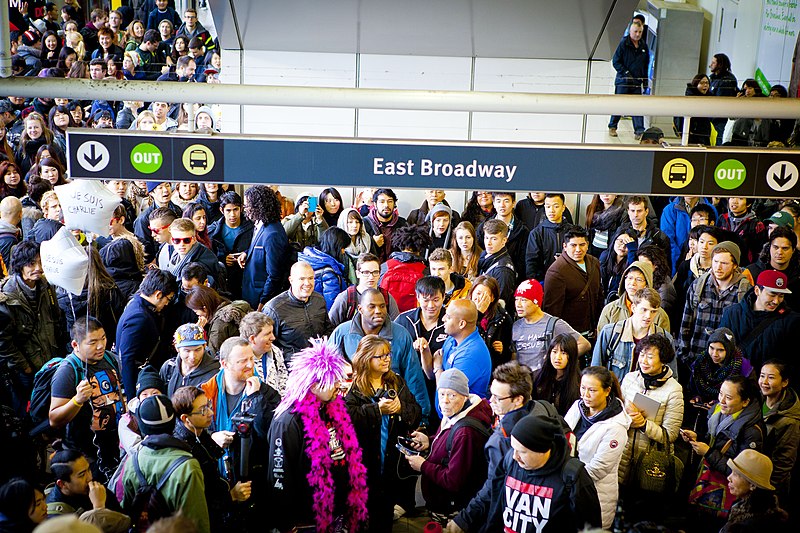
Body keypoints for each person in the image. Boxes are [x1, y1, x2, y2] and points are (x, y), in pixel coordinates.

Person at [267, 339, 369, 533]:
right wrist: (286, 523)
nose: (339, 385)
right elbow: (279, 477)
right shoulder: (287, 422)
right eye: (333, 381)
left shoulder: (333, 407)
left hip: (340, 515)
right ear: (313, 386)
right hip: (307, 522)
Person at [448, 414, 602, 533]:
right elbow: (489, 492)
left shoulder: (573, 476)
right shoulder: (510, 460)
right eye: (513, 448)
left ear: (543, 450)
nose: (515, 456)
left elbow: (590, 528)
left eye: (522, 451)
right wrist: (462, 521)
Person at [345, 335, 422, 531]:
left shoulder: (396, 382)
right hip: (363, 463)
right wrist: (377, 410)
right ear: (366, 359)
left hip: (390, 463)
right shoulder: (354, 388)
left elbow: (416, 412)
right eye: (380, 356)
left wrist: (400, 408)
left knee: (384, 515)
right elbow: (347, 418)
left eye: (388, 354)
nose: (387, 359)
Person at [403, 368, 493, 523]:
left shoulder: (466, 432)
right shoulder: (455, 415)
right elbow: (449, 443)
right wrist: (429, 441)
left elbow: (453, 481)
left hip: (452, 510)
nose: (444, 400)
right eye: (441, 394)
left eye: (452, 395)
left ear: (464, 397)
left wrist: (423, 466)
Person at [199, 338, 280, 507]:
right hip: (215, 483)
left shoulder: (267, 394)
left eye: (251, 359)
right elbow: (191, 433)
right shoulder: (205, 393)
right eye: (243, 361)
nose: (250, 365)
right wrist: (211, 439)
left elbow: (270, 434)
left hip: (254, 484)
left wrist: (254, 399)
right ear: (225, 364)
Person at [329, 288, 431, 420]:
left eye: (382, 306)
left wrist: (422, 420)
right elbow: (327, 373)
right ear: (360, 309)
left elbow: (414, 378)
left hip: (392, 412)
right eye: (372, 307)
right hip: (355, 414)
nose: (378, 311)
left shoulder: (401, 334)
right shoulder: (342, 333)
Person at [49, 317, 125, 482]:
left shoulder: (110, 358)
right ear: (75, 345)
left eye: (103, 338)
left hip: (115, 445)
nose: (100, 346)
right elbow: (54, 419)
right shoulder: (68, 371)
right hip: (86, 453)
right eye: (92, 343)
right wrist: (77, 400)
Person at [682, 376, 765, 525]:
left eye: (729, 397)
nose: (722, 401)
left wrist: (708, 453)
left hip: (727, 491)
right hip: (705, 476)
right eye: (721, 394)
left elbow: (742, 473)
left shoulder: (752, 431)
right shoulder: (717, 411)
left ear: (745, 402)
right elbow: (713, 440)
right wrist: (697, 437)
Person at [121, 394, 210, 533]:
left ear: (142, 426)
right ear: (173, 422)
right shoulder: (188, 466)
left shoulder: (132, 462)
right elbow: (197, 522)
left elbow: (127, 512)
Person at [617, 334, 683, 518]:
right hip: (622, 454)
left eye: (651, 356)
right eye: (642, 355)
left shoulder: (674, 389)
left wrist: (645, 425)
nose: (644, 361)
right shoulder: (629, 379)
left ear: (663, 360)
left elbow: (670, 435)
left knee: (643, 513)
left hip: (649, 462)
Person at [171, 386, 252, 531]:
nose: (211, 412)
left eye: (208, 405)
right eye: (203, 410)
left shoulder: (200, 434)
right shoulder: (185, 453)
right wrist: (231, 496)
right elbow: (196, 502)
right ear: (185, 418)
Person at [0, 241, 66, 418]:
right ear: (20, 266)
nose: (38, 268)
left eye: (41, 262)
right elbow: (4, 342)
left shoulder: (47, 286)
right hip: (26, 369)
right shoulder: (7, 297)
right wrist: (24, 366)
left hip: (50, 360)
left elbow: (56, 320)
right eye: (31, 263)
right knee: (31, 409)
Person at [564, 366, 631, 530]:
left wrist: (565, 477)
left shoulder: (615, 427)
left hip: (595, 494)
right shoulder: (577, 406)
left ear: (607, 391)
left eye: (592, 390)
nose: (585, 395)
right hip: (568, 488)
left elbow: (599, 468)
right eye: (583, 388)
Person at [720, 270, 800, 376]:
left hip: (771, 386)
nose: (776, 301)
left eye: (781, 296)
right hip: (736, 383)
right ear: (757, 291)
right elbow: (721, 351)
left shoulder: (791, 321)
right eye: (772, 294)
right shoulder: (732, 314)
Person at [116, 269, 178, 398]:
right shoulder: (139, 317)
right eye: (168, 299)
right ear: (158, 294)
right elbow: (127, 358)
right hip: (140, 381)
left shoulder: (136, 302)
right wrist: (132, 396)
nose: (167, 303)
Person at [422, 300, 492, 404]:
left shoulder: (471, 355)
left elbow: (446, 399)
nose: (443, 319)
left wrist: (438, 368)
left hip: (465, 416)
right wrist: (425, 351)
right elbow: (431, 375)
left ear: (462, 324)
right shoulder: (452, 339)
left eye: (448, 317)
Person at [262, 261, 333, 360]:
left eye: (311, 278)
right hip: (290, 367)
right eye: (302, 279)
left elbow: (328, 330)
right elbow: (268, 344)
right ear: (291, 280)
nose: (307, 283)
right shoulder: (274, 309)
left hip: (320, 362)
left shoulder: (319, 300)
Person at [542, 225, 603, 341]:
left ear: (588, 245)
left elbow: (599, 295)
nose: (578, 250)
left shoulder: (594, 262)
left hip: (592, 331)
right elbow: (552, 311)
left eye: (582, 245)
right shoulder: (556, 271)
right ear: (565, 246)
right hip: (569, 336)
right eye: (573, 245)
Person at [45, 445, 127, 523]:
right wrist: (99, 508)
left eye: (88, 470)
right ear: (62, 484)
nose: (89, 478)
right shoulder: (56, 518)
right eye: (82, 475)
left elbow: (121, 518)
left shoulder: (91, 487)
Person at [240, 185, 290, 310]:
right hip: (251, 293)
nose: (245, 209)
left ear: (258, 206)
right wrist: (247, 253)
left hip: (261, 300)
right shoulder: (260, 224)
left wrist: (263, 302)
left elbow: (274, 275)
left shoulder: (273, 234)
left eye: (247, 206)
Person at [758, 359, 800, 505]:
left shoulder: (789, 420)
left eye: (771, 377)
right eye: (762, 376)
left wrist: (766, 487)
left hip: (769, 484)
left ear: (784, 382)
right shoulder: (756, 400)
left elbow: (784, 461)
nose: (764, 382)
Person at [688, 328, 753, 415]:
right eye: (711, 348)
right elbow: (691, 386)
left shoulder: (744, 368)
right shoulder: (700, 362)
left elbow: (748, 397)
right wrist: (696, 397)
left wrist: (719, 404)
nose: (715, 354)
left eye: (720, 350)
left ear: (729, 350)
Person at [721, 450, 788, 532]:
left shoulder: (751, 525)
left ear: (752, 485)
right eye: (732, 472)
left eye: (736, 474)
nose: (729, 478)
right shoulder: (743, 504)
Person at [597, 260, 671, 333]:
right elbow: (602, 339)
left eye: (639, 280)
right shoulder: (610, 309)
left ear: (647, 285)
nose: (632, 283)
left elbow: (663, 342)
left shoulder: (659, 314)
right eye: (630, 278)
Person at [328, 252, 400, 326]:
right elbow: (331, 326)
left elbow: (396, 326)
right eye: (366, 272)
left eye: (375, 272)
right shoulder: (346, 297)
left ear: (379, 274)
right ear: (358, 274)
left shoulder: (387, 297)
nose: (371, 277)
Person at [207, 191, 253, 301]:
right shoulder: (213, 231)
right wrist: (223, 259)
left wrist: (246, 253)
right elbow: (210, 256)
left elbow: (257, 248)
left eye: (235, 209)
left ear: (241, 208)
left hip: (246, 278)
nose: (232, 215)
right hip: (224, 281)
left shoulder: (251, 227)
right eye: (228, 210)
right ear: (221, 210)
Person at [608, 19, 649, 139]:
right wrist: (626, 73)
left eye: (640, 32)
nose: (638, 34)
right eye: (636, 31)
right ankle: (613, 126)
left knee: (637, 107)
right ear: (631, 31)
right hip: (623, 82)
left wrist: (645, 81)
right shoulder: (623, 44)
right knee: (619, 105)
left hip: (637, 82)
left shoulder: (643, 46)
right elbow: (616, 62)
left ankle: (639, 131)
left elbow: (645, 65)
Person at [185, 286, 252, 356]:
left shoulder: (219, 324)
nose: (198, 315)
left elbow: (212, 354)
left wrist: (199, 334)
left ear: (205, 308)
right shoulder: (233, 305)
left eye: (196, 312)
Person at [745, 226, 800, 310]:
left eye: (785, 248)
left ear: (793, 250)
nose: (779, 252)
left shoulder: (797, 276)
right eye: (775, 247)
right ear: (769, 247)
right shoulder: (752, 272)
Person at [159, 323, 220, 398]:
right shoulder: (169, 368)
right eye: (187, 351)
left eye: (197, 350)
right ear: (177, 348)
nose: (193, 356)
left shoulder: (215, 374)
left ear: (204, 346)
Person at [379, 224, 430, 312]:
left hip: (387, 315)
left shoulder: (385, 266)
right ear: (420, 248)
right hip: (413, 318)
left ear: (400, 245)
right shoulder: (424, 270)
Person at [476, 192, 528, 278]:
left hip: (510, 278)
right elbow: (478, 252)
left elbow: (523, 262)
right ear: (494, 203)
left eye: (506, 201)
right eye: (498, 201)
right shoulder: (483, 226)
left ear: (513, 203)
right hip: (486, 277)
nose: (502, 205)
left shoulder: (522, 231)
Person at [299, 226, 352, 310]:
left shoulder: (312, 261)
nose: (343, 252)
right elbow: (333, 306)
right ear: (336, 247)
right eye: (343, 248)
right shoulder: (329, 273)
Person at [661, 197, 718, 273]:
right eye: (694, 220)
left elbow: (713, 234)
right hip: (678, 260)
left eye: (701, 219)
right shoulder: (670, 210)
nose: (697, 223)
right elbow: (669, 241)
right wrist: (680, 265)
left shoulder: (710, 208)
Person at [239, 311, 288, 396]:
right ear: (252, 339)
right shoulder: (239, 363)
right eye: (267, 334)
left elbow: (284, 383)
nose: (273, 338)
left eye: (272, 332)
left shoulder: (275, 351)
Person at [525, 194, 571, 281]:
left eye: (556, 206)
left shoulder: (572, 231)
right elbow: (531, 262)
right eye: (548, 207)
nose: (551, 210)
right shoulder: (536, 233)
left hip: (568, 279)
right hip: (543, 280)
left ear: (563, 208)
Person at [469, 276, 513, 368]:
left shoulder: (503, 317)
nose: (480, 298)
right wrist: (478, 313)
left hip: (491, 365)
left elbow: (509, 349)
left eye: (485, 295)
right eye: (478, 293)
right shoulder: (461, 310)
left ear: (493, 298)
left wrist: (502, 349)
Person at [133, 182, 182, 264]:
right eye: (160, 188)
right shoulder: (143, 219)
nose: (166, 190)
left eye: (167, 185)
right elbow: (144, 249)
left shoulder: (177, 210)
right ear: (152, 193)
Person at [534, 334, 582, 415]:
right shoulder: (538, 376)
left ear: (572, 355)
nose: (558, 357)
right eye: (554, 351)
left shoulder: (579, 382)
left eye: (563, 353)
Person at [717, 198, 767, 267]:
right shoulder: (722, 218)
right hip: (721, 262)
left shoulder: (756, 225)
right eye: (732, 197)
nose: (734, 201)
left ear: (748, 204)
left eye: (740, 199)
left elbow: (758, 252)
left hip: (744, 266)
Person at [476, 219, 516, 306]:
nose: (488, 243)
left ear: (504, 241)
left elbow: (500, 304)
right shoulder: (485, 254)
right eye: (486, 238)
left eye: (494, 239)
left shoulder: (503, 271)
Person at [363, 188, 408, 263]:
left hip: (396, 269)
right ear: (375, 204)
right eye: (382, 202)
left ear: (394, 204)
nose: (386, 205)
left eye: (390, 201)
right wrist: (373, 244)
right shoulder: (364, 223)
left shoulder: (402, 224)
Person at [674, 74, 713, 145]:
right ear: (695, 84)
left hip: (704, 137)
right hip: (691, 138)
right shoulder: (689, 100)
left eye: (707, 83)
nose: (705, 85)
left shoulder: (710, 99)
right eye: (702, 83)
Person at [709, 53, 738, 145]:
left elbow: (721, 102)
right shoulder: (713, 78)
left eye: (713, 63)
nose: (710, 65)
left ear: (720, 64)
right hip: (712, 118)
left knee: (718, 140)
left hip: (719, 119)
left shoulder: (727, 81)